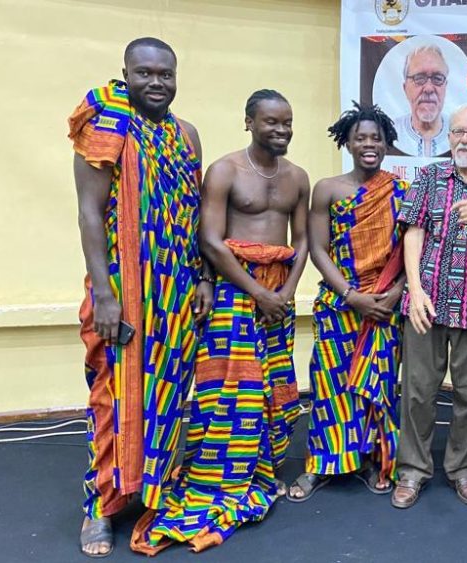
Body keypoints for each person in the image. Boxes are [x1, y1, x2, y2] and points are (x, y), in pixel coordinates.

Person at [131, 89, 310, 554]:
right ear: (248, 122)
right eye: (271, 122)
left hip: (278, 295)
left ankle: (259, 471)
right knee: (229, 389)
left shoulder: (298, 177)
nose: (282, 130)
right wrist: (258, 293)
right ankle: (218, 476)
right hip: (236, 291)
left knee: (273, 388)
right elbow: (210, 240)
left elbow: (304, 239)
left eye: (287, 122)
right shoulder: (225, 171)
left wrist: (286, 294)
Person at [69, 37, 209, 558]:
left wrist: (203, 278)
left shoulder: (186, 137)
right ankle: (100, 507)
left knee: (168, 398)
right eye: (145, 72)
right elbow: (88, 213)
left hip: (174, 294)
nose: (157, 82)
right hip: (123, 295)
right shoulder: (106, 128)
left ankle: (154, 492)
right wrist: (104, 295)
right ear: (125, 74)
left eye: (165, 74)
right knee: (113, 396)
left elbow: (194, 215)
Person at [391, 104, 467, 509]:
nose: (464, 139)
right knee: (417, 393)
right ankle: (412, 470)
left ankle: (463, 471)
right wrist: (416, 290)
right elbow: (413, 233)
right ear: (448, 137)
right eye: (457, 132)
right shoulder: (428, 176)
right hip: (426, 304)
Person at [286, 102, 408, 502]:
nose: (369, 144)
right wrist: (351, 296)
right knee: (330, 384)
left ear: (387, 142)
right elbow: (318, 250)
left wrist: (394, 293)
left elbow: (412, 252)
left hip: (385, 307)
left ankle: (375, 458)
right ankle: (321, 464)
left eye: (376, 138)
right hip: (341, 303)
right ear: (348, 143)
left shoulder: (402, 190)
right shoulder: (327, 189)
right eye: (361, 138)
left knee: (379, 385)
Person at [392, 44, 450, 157]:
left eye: (437, 78)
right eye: (419, 78)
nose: (428, 89)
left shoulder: (461, 134)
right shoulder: (387, 134)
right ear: (405, 88)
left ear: (445, 87)